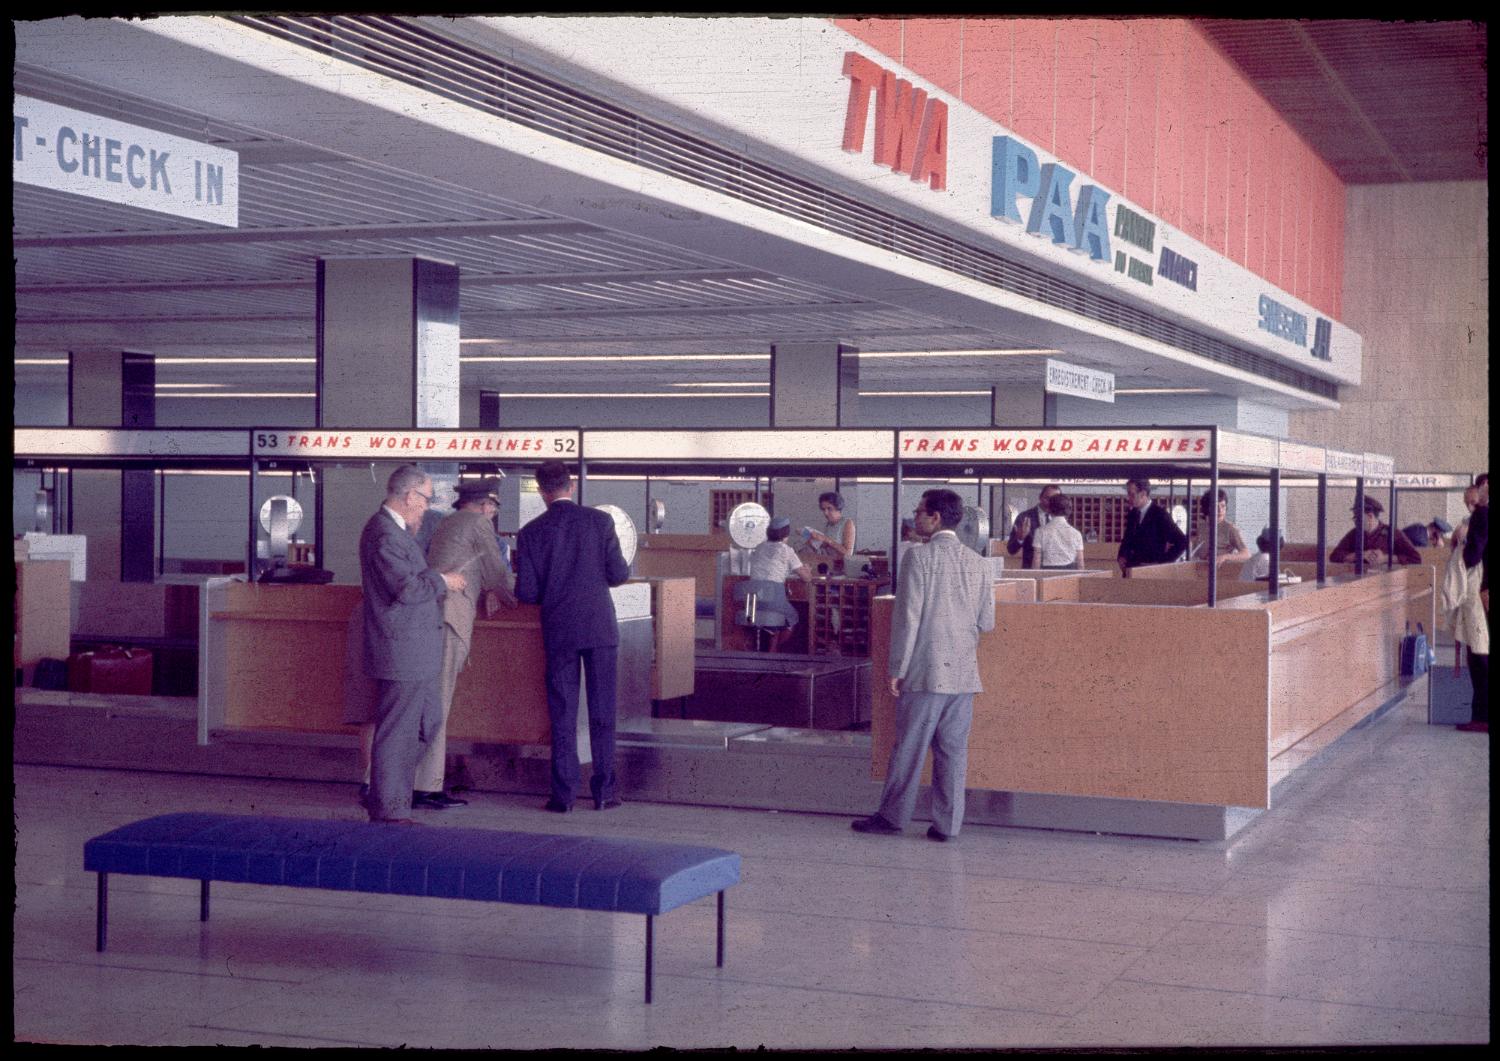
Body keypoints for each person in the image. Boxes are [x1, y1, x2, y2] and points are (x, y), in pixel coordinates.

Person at [851, 488, 995, 842]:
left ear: (934, 518)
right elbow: (986, 621)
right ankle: (948, 825)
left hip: (926, 672)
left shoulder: (918, 558)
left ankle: (892, 817)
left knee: (909, 750)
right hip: (963, 674)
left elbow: (909, 619)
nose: (914, 517)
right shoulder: (979, 563)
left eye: (919, 512)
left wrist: (896, 669)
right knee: (953, 753)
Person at [516, 460, 632, 813]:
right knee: (602, 711)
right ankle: (604, 793)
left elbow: (527, 593)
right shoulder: (600, 522)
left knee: (563, 712)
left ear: (541, 492)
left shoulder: (531, 532)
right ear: (571, 486)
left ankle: (563, 797)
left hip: (559, 629)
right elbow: (617, 575)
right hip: (599, 628)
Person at [358, 465, 466, 824]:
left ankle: (388, 794)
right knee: (397, 732)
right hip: (401, 651)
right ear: (409, 496)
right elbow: (407, 589)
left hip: (415, 651)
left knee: (427, 722)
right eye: (426, 498)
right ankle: (389, 809)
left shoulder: (396, 532)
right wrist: (443, 580)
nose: (427, 506)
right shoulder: (385, 535)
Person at [416, 478, 518, 809]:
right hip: (450, 617)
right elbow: (496, 571)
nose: (492, 512)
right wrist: (515, 599)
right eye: (493, 506)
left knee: (432, 702)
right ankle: (425, 787)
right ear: (485, 505)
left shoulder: (449, 522)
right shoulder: (476, 524)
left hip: (436, 616)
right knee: (438, 704)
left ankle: (425, 782)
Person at [745, 515, 812, 648]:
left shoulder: (758, 548)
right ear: (786, 534)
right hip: (774, 600)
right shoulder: (786, 550)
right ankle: (773, 650)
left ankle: (767, 650)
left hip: (752, 604)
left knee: (775, 621)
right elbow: (807, 578)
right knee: (792, 618)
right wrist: (808, 569)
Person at [1116, 479, 1188, 574]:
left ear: (1143, 494)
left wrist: (1163, 563)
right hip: (1132, 569)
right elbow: (1127, 538)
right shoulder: (1133, 514)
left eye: (1132, 494)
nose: (1128, 498)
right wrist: (1121, 555)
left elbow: (1182, 542)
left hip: (1151, 570)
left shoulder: (1159, 514)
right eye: (1128, 494)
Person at [1329, 495, 1421, 566]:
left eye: (1357, 517)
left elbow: (1415, 559)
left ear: (1370, 516)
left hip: (1386, 582)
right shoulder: (1353, 534)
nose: (1355, 521)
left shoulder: (1392, 533)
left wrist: (1385, 559)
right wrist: (1359, 555)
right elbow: (1334, 556)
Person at [1189, 489, 1251, 568]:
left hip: (1221, 572)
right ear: (1207, 508)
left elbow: (1246, 554)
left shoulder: (1230, 529)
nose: (1220, 510)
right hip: (1201, 570)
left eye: (1223, 506)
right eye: (1215, 506)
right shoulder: (1201, 526)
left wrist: (1224, 557)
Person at [1006, 483, 1061, 570]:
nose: (1051, 502)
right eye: (1048, 498)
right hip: (1031, 572)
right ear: (1040, 497)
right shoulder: (1025, 517)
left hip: (1055, 572)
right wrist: (1020, 538)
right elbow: (1011, 550)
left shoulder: (1061, 519)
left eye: (1055, 499)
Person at [803, 491, 856, 574]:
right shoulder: (828, 525)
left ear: (838, 507)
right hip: (827, 565)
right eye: (823, 509)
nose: (825, 513)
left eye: (829, 508)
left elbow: (848, 554)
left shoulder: (847, 523)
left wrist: (826, 539)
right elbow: (826, 546)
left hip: (840, 569)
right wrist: (813, 541)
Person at [1029, 492, 1084, 569]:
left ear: (1049, 509)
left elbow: (1036, 560)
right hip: (1070, 573)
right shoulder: (1076, 533)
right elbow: (1080, 562)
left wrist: (1034, 578)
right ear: (1068, 510)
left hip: (1047, 572)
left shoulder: (1040, 531)